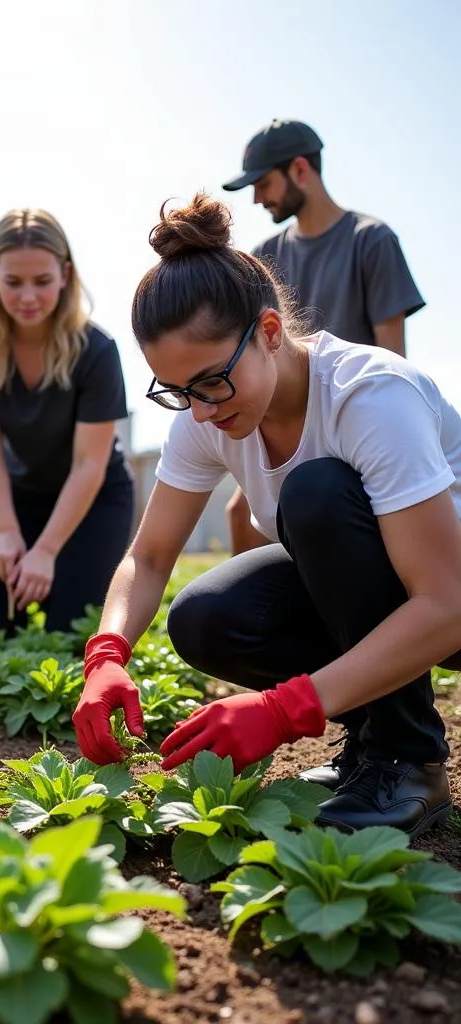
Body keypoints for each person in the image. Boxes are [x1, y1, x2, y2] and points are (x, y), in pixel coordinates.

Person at [73, 194, 460, 837]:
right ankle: (368, 747)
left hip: (447, 598)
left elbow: (447, 604)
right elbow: (148, 557)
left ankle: (408, 757)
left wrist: (286, 711)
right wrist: (107, 652)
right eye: (177, 392)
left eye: (210, 382)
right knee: (209, 618)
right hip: (410, 598)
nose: (199, 410)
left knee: (317, 496)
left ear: (271, 332)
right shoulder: (210, 413)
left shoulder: (369, 397)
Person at [221, 119, 426, 556]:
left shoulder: (371, 241)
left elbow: (394, 364)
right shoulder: (264, 258)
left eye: (263, 183)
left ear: (300, 170)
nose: (257, 198)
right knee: (240, 512)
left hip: (355, 427)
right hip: (286, 428)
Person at [0, 208, 135, 635]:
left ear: (65, 275)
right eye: (13, 282)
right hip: (18, 496)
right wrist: (7, 532)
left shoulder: (97, 350)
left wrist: (47, 551)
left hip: (95, 498)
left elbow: (89, 464)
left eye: (42, 281)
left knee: (69, 634)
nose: (28, 297)